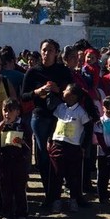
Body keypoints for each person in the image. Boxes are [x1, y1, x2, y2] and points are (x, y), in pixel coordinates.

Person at [22, 39, 74, 195]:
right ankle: (49, 192)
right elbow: (23, 96)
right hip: (40, 117)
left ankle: (60, 189)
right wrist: (37, 92)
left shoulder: (63, 71)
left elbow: (73, 94)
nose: (46, 53)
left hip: (60, 117)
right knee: (43, 155)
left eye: (50, 50)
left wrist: (59, 90)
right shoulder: (33, 71)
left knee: (60, 153)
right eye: (44, 50)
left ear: (56, 53)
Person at [44, 83, 92, 213]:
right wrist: (50, 139)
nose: (63, 91)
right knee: (56, 174)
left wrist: (83, 146)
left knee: (73, 175)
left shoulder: (81, 112)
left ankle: (73, 200)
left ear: (73, 96)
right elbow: (53, 124)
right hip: (58, 144)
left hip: (73, 147)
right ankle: (56, 201)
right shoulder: (60, 107)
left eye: (66, 90)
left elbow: (88, 129)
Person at [0, 98, 31, 219]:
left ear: (17, 112)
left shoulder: (23, 126)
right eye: (4, 110)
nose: (7, 114)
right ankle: (6, 215)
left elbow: (28, 146)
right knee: (5, 190)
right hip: (5, 162)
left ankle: (21, 214)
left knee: (20, 189)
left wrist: (23, 143)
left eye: (10, 111)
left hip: (19, 163)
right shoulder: (1, 126)